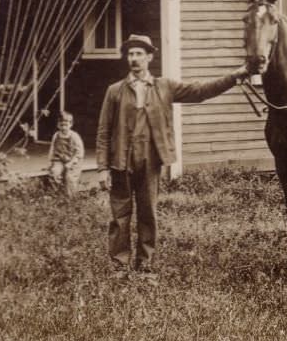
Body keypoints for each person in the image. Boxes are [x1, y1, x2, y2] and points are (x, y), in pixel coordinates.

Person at [97, 33, 248, 282]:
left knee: (148, 213)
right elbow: (103, 131)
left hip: (150, 160)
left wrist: (234, 76)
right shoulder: (114, 91)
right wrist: (103, 167)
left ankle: (145, 265)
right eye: (130, 54)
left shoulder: (164, 87)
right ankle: (119, 266)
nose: (134, 59)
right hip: (121, 161)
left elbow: (200, 91)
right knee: (119, 215)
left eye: (139, 54)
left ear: (149, 57)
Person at [47, 111, 85, 197]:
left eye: (66, 125)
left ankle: (70, 198)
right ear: (58, 125)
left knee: (69, 177)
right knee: (54, 172)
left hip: (74, 160)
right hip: (59, 159)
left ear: (71, 124)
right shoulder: (56, 135)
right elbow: (52, 149)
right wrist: (50, 161)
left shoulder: (74, 136)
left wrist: (71, 163)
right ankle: (56, 195)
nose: (63, 127)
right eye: (61, 125)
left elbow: (79, 153)